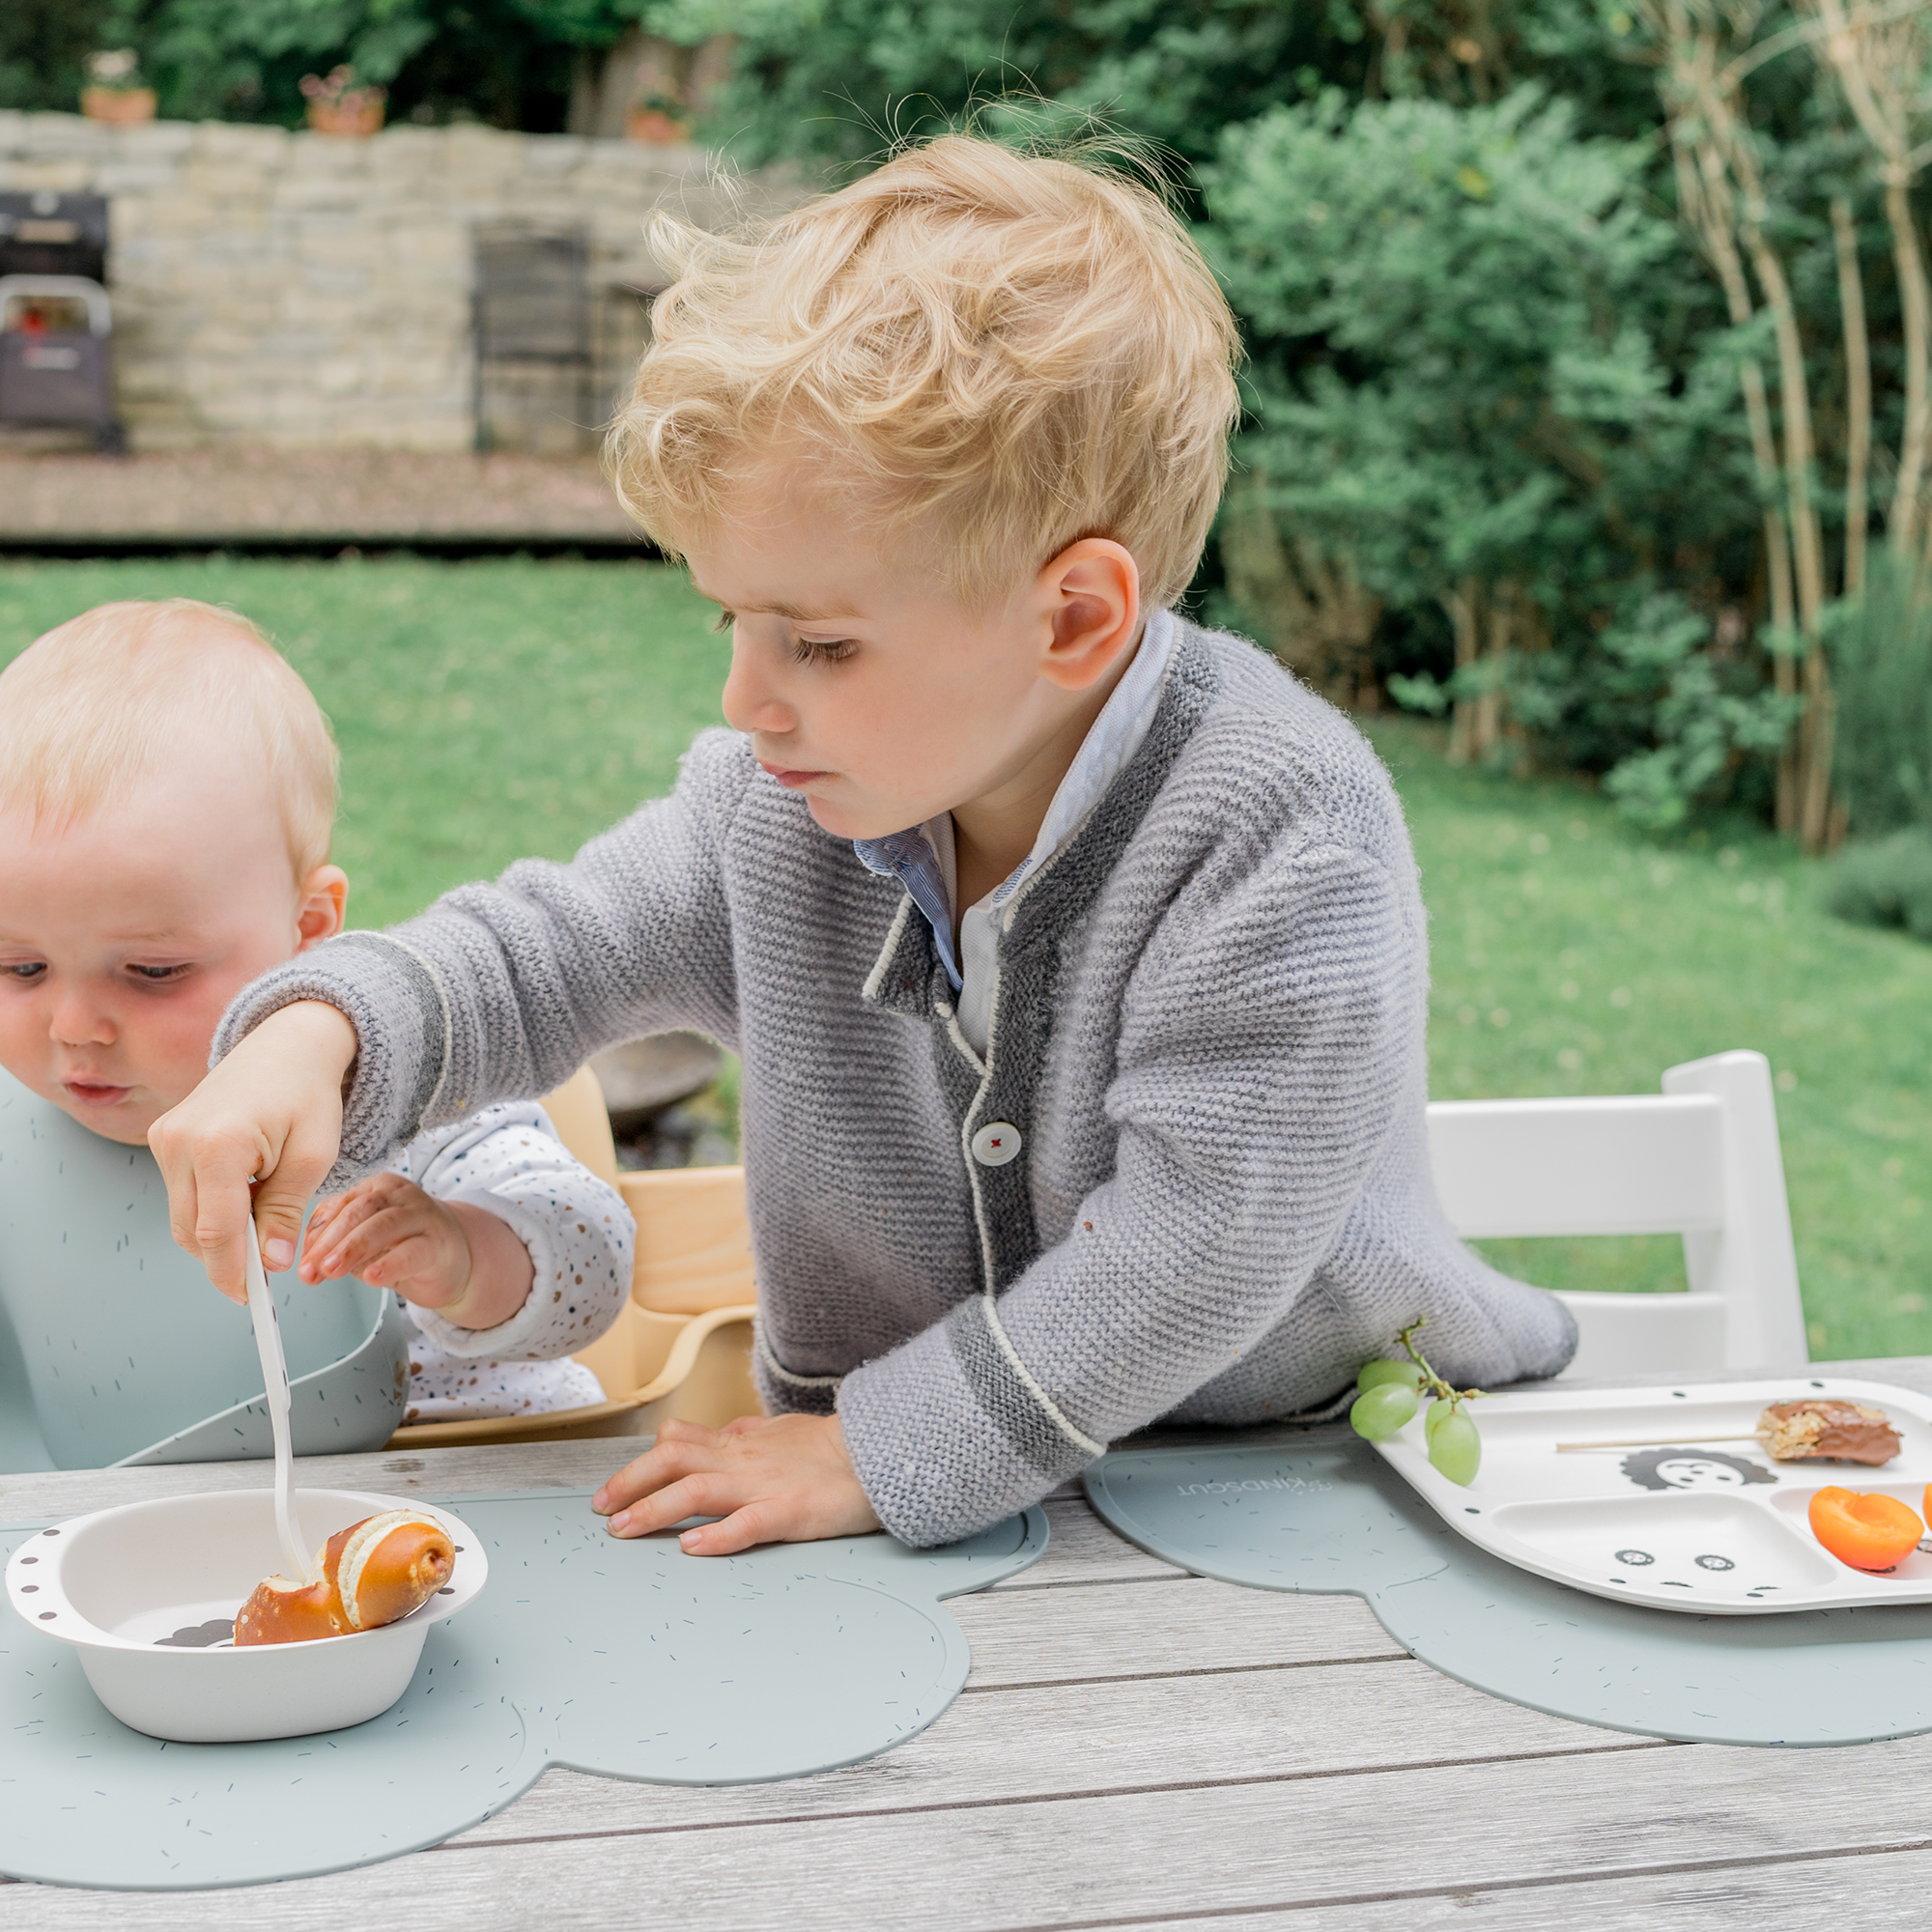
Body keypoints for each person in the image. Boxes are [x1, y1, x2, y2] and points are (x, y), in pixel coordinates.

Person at [151, 135, 1576, 1550]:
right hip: (887, 1489)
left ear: (1075, 616)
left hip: (1305, 1471)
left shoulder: (1281, 832)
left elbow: (1196, 1247)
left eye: (821, 642)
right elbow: (546, 952)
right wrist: (321, 1034)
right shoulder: (775, 815)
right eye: (734, 620)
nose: (745, 698)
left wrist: (878, 1455)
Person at [0, 598, 633, 1441]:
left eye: (154, 971)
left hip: (449, 1485)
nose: (74, 1026)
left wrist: (463, 1253)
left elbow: (594, 1264)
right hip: (125, 1526)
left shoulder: (398, 1081)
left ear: (308, 929)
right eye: (18, 966)